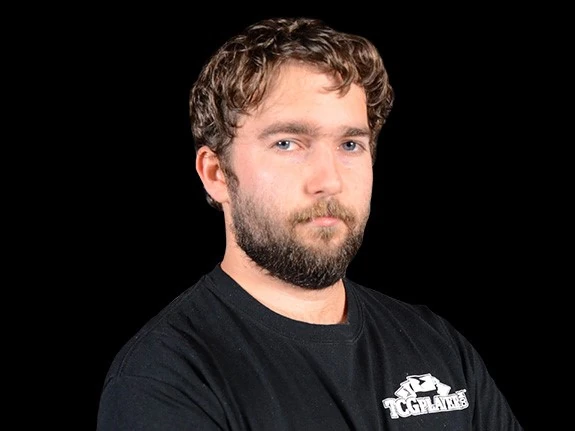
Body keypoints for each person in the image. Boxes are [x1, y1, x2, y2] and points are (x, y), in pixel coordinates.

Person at [97, 17, 523, 430]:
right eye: (287, 143)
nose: (329, 181)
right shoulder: (164, 380)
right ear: (217, 174)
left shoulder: (436, 346)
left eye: (350, 144)